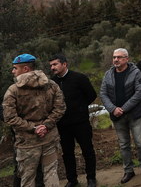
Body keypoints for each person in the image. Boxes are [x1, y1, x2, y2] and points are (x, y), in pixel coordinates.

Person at [3, 54, 66, 187]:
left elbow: (10, 117)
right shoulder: (51, 85)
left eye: (15, 68)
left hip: (27, 143)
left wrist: (33, 128)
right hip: (49, 137)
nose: (12, 71)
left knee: (27, 178)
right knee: (51, 174)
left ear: (25, 68)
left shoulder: (13, 90)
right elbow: (60, 108)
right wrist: (46, 126)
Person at [100, 48, 141, 184]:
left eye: (119, 57)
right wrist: (113, 109)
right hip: (117, 116)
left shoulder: (135, 72)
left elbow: (140, 92)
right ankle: (128, 170)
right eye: (114, 57)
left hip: (134, 114)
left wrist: (123, 108)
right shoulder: (108, 74)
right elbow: (103, 94)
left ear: (126, 59)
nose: (116, 60)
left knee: (140, 143)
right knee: (124, 145)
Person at [49, 54, 97, 187]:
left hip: (81, 122)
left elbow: (92, 95)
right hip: (63, 125)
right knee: (67, 153)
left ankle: (91, 178)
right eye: (51, 65)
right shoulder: (52, 83)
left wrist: (80, 108)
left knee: (87, 150)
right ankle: (72, 180)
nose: (52, 67)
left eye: (55, 64)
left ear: (64, 64)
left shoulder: (79, 78)